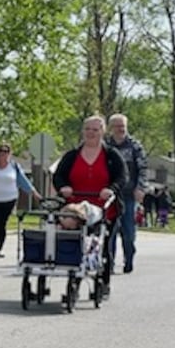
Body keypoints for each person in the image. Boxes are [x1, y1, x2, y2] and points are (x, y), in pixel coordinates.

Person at [53, 115, 127, 283]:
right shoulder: (72, 155)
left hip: (104, 209)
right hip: (75, 209)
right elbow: (59, 176)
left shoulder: (111, 155)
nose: (91, 133)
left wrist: (111, 189)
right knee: (76, 242)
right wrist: (63, 187)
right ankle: (74, 272)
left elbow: (122, 177)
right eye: (87, 129)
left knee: (103, 245)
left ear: (102, 132)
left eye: (95, 130)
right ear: (83, 131)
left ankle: (104, 280)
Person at [0, 142, 41, 258]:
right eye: (1, 151)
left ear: (10, 154)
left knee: (2, 223)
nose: (3, 154)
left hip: (8, 199)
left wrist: (34, 193)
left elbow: (23, 181)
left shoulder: (14, 166)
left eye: (6, 152)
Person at [105, 113, 148, 274]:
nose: (121, 129)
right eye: (117, 126)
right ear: (111, 128)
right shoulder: (106, 146)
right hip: (110, 194)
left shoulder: (135, 146)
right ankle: (109, 262)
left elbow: (143, 169)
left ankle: (128, 259)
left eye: (123, 126)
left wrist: (141, 188)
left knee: (129, 230)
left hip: (129, 195)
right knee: (110, 230)